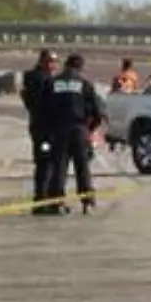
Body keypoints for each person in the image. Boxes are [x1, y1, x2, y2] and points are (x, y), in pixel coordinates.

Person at [43, 53, 105, 215]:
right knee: (82, 168)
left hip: (59, 129)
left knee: (59, 167)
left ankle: (56, 202)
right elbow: (98, 112)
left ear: (65, 65)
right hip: (79, 130)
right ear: (80, 67)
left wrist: (49, 131)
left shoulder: (53, 83)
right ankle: (87, 202)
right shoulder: (85, 84)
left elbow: (44, 110)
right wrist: (90, 129)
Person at [20, 48, 59, 215]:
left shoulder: (43, 78)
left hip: (43, 127)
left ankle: (45, 199)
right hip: (43, 128)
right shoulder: (38, 79)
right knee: (44, 163)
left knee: (48, 163)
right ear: (43, 61)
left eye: (55, 62)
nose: (54, 65)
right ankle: (41, 201)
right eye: (51, 62)